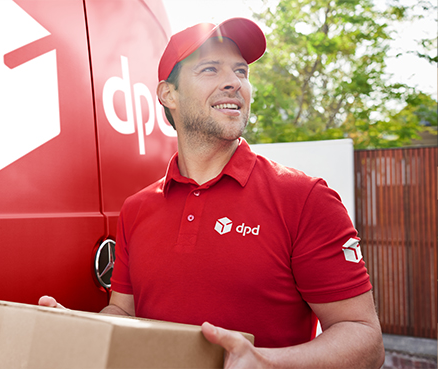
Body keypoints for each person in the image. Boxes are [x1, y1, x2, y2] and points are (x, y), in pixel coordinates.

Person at [40, 17, 385, 368]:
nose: (234, 83)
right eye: (210, 69)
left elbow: (364, 339)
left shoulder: (305, 198)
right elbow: (123, 310)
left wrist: (266, 363)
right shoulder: (137, 209)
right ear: (168, 94)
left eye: (241, 72)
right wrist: (82, 329)